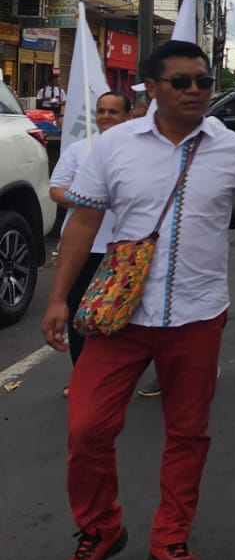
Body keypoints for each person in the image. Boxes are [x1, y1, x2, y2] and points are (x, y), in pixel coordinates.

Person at [43, 41, 235, 560]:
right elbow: (81, 223)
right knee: (88, 428)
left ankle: (170, 537)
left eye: (203, 81)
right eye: (182, 82)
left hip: (198, 314)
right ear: (151, 87)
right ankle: (100, 529)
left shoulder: (233, 147)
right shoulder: (115, 146)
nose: (196, 90)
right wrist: (57, 299)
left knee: (188, 433)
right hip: (120, 316)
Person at [50, 92, 133, 387]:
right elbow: (55, 190)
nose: (106, 117)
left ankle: (118, 376)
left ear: (126, 116)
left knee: (122, 317)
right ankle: (82, 378)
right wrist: (87, 198)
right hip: (83, 249)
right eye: (101, 111)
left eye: (113, 111)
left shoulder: (138, 151)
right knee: (79, 316)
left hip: (125, 250)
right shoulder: (77, 150)